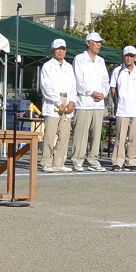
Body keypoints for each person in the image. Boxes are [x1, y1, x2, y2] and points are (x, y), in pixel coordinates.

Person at [68, 31, 108, 172]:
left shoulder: (101, 61)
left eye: (100, 43)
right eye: (96, 42)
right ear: (88, 43)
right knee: (81, 133)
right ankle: (77, 160)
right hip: (84, 102)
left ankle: (93, 159)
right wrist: (91, 92)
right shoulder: (79, 59)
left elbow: (105, 81)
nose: (98, 45)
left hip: (98, 104)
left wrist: (103, 93)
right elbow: (79, 80)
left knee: (96, 134)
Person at [38, 39, 76, 173]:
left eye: (63, 48)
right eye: (58, 48)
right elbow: (45, 87)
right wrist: (58, 102)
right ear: (53, 50)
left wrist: (72, 101)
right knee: (50, 134)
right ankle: (46, 162)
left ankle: (59, 162)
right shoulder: (47, 66)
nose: (61, 51)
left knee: (64, 135)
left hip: (67, 99)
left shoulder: (69, 67)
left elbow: (73, 86)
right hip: (53, 101)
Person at [109, 46, 136, 171]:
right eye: (127, 55)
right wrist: (117, 102)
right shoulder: (117, 71)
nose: (129, 58)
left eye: (131, 55)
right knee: (120, 136)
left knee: (134, 137)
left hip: (135, 110)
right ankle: (118, 161)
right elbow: (113, 88)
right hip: (122, 109)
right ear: (123, 57)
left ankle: (132, 162)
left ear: (135, 57)